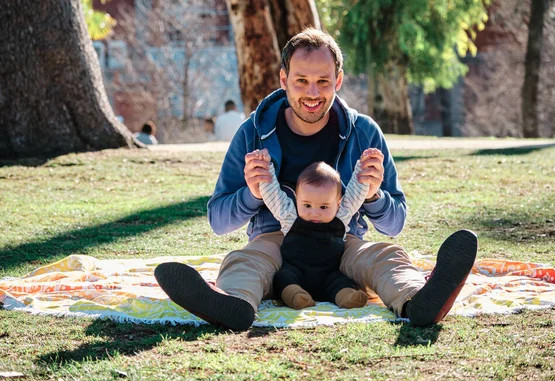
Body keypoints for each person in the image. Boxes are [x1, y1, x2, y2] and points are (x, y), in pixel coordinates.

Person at [154, 28, 478, 331]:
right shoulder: (252, 132)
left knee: (385, 255)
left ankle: (417, 301)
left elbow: (395, 224)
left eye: (323, 81)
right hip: (276, 240)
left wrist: (375, 196)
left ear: (338, 81)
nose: (312, 93)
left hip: (343, 238)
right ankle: (233, 306)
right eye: (301, 80)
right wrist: (251, 194)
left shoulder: (364, 133)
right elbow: (218, 221)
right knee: (244, 260)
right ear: (283, 79)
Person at [255, 148, 370, 310]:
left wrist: (363, 167)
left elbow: (355, 194)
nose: (314, 212)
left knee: (343, 281)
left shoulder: (340, 217)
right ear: (297, 199)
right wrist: (265, 167)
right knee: (282, 278)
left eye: (324, 207)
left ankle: (347, 297)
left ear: (337, 204)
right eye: (307, 205)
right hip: (296, 273)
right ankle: (295, 296)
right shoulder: (290, 217)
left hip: (329, 275)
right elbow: (273, 194)